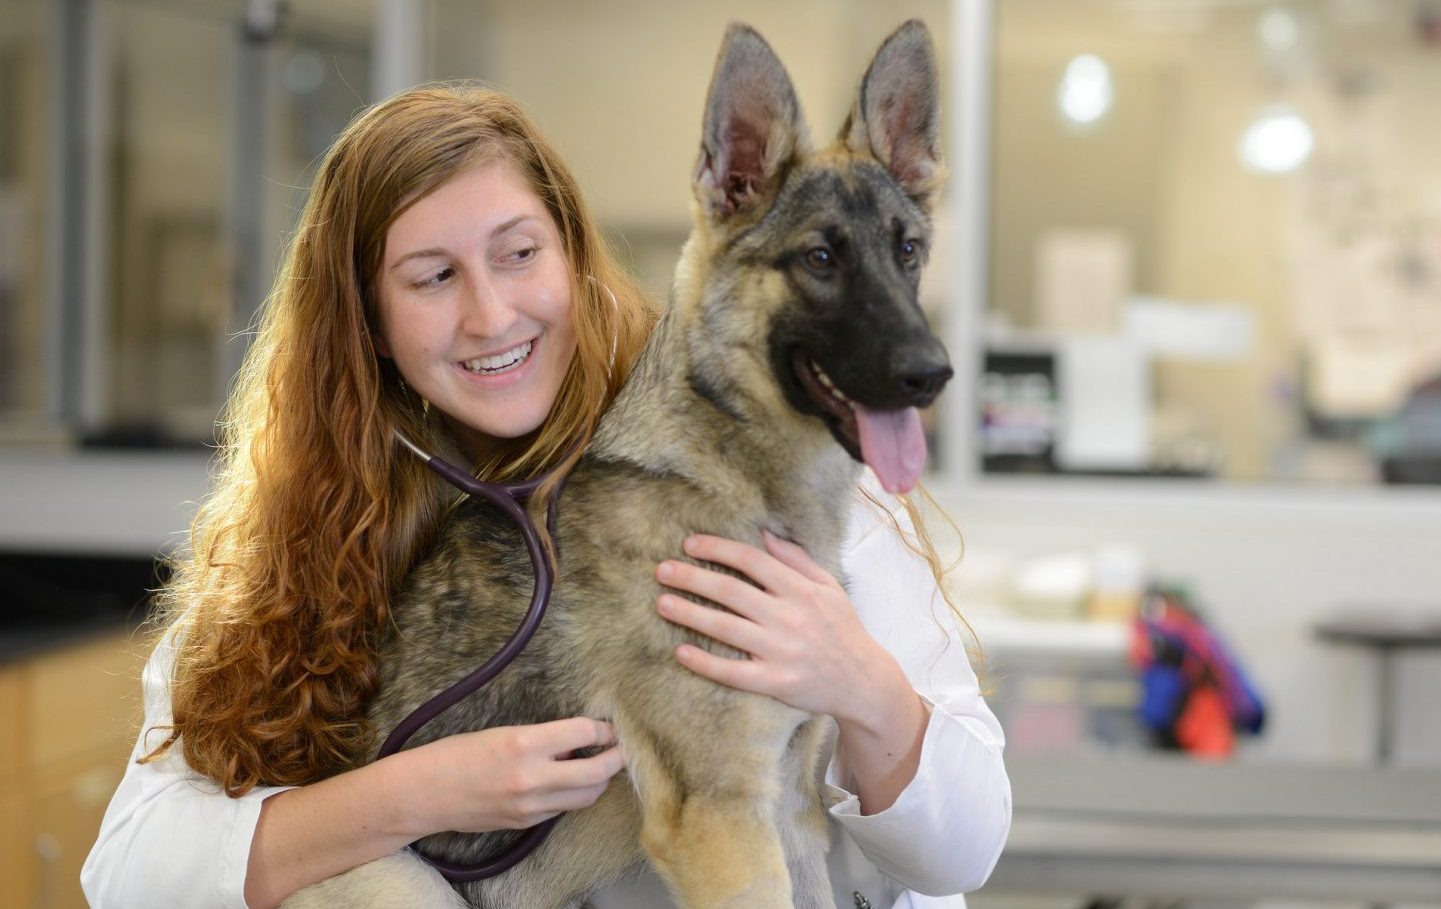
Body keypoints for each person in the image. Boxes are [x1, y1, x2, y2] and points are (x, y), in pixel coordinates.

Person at [81, 84, 1010, 909]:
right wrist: (422, 794)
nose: (491, 314)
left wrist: (861, 681)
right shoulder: (306, 533)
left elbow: (965, 844)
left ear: (572, 251)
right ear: (368, 322)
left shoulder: (772, 467)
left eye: (519, 253)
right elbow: (128, 873)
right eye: (434, 276)